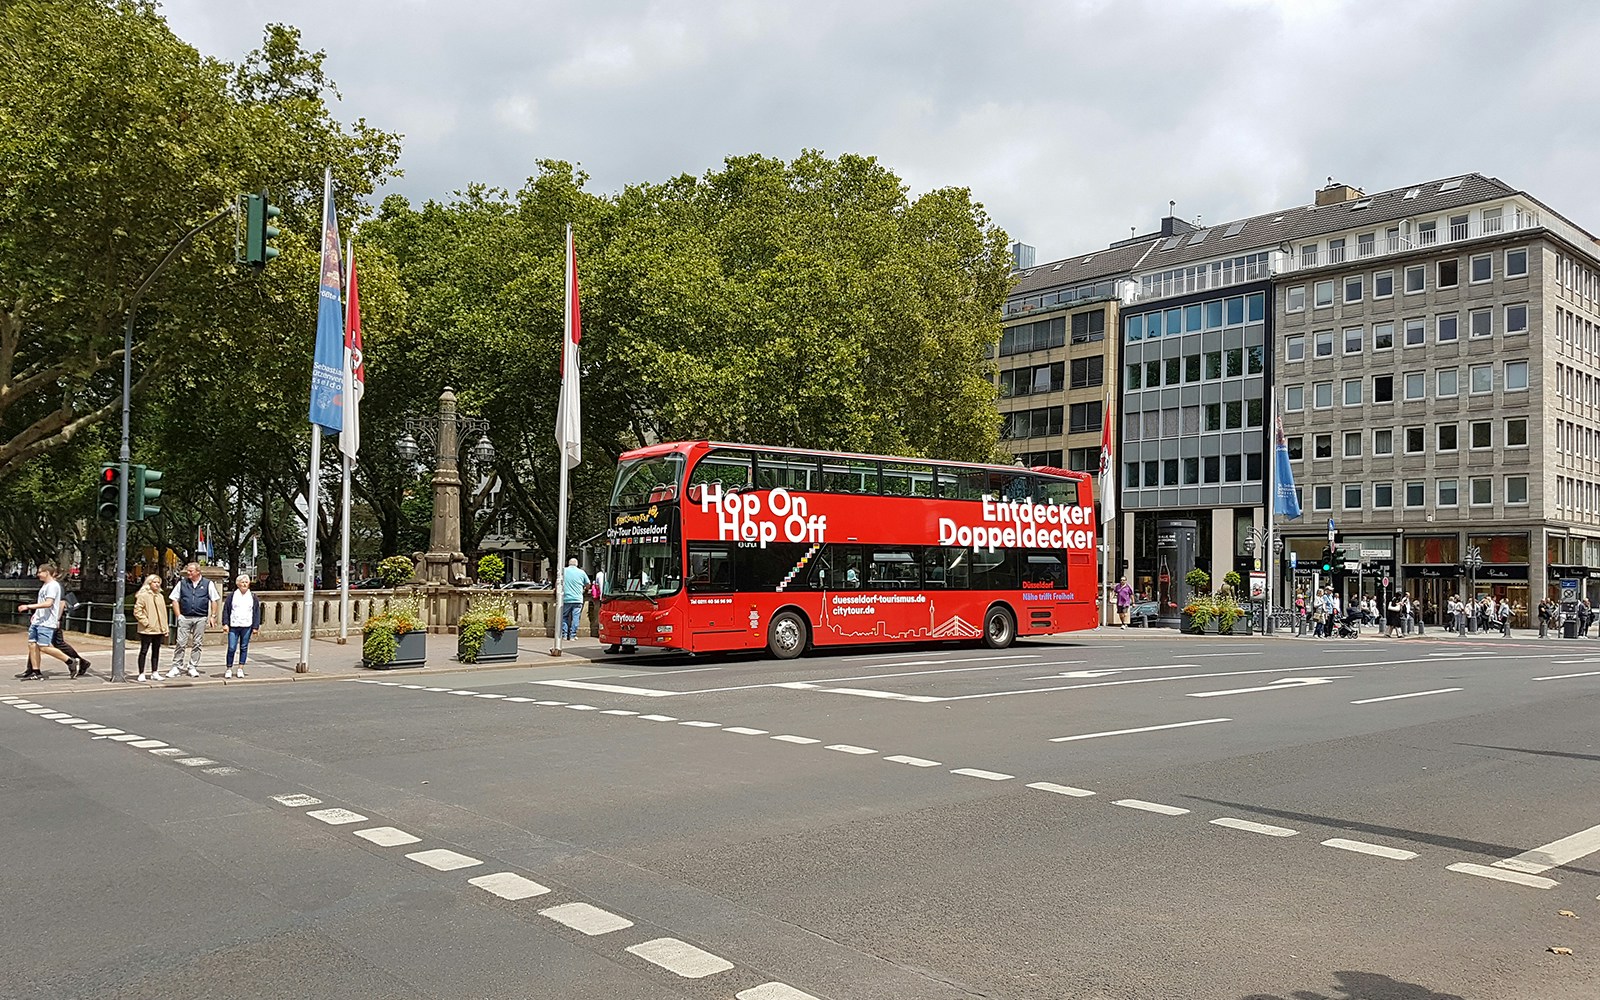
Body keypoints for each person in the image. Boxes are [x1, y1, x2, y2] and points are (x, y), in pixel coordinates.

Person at [18, 563, 71, 680]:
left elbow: (48, 603)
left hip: (46, 622)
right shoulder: (45, 586)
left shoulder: (53, 586)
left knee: (44, 647)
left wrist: (28, 606)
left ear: (47, 573)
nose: (38, 575)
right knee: (32, 645)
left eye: (40, 572)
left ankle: (70, 661)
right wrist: (36, 615)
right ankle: (36, 672)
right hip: (38, 621)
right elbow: (42, 601)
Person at [168, 562, 220, 678]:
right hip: (185, 617)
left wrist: (213, 616)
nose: (188, 573)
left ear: (198, 572)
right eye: (188, 570)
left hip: (200, 617)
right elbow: (174, 599)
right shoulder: (182, 583)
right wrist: (178, 616)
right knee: (181, 642)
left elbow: (214, 600)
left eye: (191, 571)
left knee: (197, 643)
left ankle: (192, 666)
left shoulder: (208, 584)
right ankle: (176, 666)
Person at [222, 574, 262, 678]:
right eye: (242, 582)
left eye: (246, 582)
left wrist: (255, 627)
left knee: (244, 647)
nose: (244, 584)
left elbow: (256, 612)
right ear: (238, 584)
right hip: (234, 625)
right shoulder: (232, 596)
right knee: (231, 647)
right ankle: (229, 668)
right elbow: (226, 610)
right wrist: (225, 623)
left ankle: (240, 668)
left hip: (247, 625)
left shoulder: (253, 597)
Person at [133, 574, 169, 682]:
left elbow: (163, 614)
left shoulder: (160, 596)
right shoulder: (143, 595)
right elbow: (137, 611)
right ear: (149, 583)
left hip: (158, 628)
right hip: (147, 629)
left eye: (158, 582)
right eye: (155, 582)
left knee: (156, 650)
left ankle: (154, 672)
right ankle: (141, 672)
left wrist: (165, 628)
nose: (157, 584)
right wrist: (146, 623)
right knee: (144, 650)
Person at [51, 588, 91, 677]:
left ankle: (33, 670)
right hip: (50, 618)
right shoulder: (52, 584)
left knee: (42, 643)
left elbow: (62, 602)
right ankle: (82, 662)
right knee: (57, 643)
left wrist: (57, 619)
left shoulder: (57, 585)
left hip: (53, 619)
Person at [560, 557, 589, 641]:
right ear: (577, 564)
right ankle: (573, 635)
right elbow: (587, 584)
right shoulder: (581, 572)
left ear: (568, 564)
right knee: (575, 617)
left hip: (566, 598)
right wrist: (585, 590)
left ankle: (564, 635)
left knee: (564, 616)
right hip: (577, 598)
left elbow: (558, 582)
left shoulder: (563, 571)